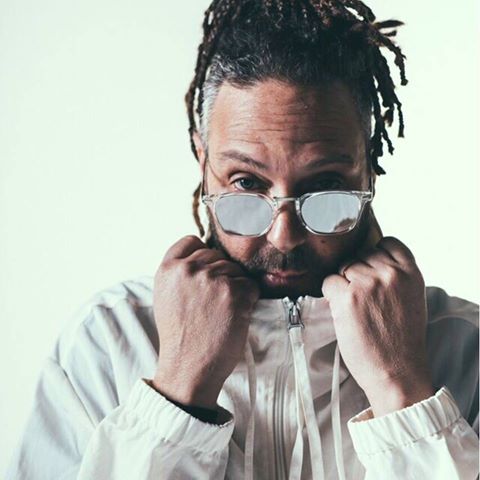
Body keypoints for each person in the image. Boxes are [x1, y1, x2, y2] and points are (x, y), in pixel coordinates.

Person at [6, 1, 479, 479]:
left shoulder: (465, 347)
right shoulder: (108, 342)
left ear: (368, 171)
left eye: (324, 185)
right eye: (247, 184)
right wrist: (177, 394)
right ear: (202, 162)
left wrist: (402, 395)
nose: (284, 235)